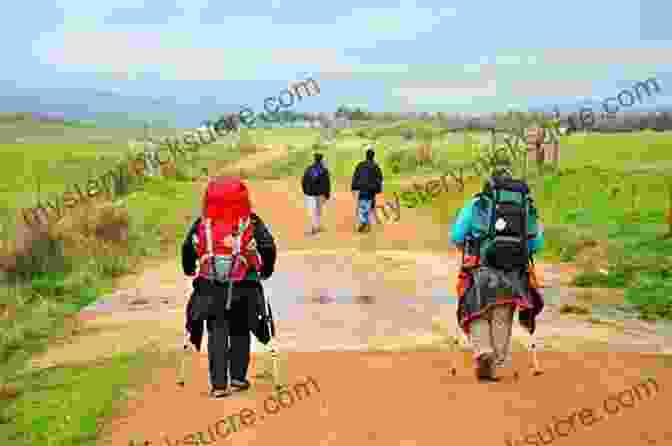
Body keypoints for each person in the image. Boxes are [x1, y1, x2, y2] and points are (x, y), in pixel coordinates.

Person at [181, 176, 277, 398]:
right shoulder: (251, 222)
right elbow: (268, 246)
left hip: (210, 288)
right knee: (240, 328)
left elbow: (187, 248)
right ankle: (237, 377)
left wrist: (189, 269)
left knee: (216, 330)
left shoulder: (203, 223)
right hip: (244, 287)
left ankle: (218, 385)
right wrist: (266, 270)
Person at [451, 159, 545, 382]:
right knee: (502, 315)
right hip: (514, 271)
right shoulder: (526, 205)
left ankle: (483, 352)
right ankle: (496, 360)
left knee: (477, 310)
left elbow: (456, 237)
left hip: (480, 268)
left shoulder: (476, 205)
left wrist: (471, 246)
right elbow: (536, 244)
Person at [351, 146, 383, 233]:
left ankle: (364, 223)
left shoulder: (360, 165)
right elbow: (379, 179)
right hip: (371, 191)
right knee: (369, 206)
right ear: (373, 156)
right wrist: (378, 190)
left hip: (362, 189)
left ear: (366, 155)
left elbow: (355, 177)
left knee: (362, 206)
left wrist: (353, 188)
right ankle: (365, 223)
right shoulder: (376, 166)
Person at [301, 153, 331, 235]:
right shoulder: (324, 170)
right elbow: (327, 184)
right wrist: (327, 194)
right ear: (321, 160)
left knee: (312, 211)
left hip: (309, 193)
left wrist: (305, 191)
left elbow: (303, 181)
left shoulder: (309, 169)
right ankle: (316, 226)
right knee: (318, 211)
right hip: (319, 194)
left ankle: (315, 226)